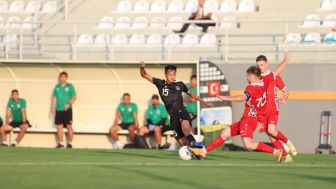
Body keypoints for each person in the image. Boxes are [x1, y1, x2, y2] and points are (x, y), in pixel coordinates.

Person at [189, 61, 290, 162]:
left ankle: (275, 151)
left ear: (253, 76)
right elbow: (277, 71)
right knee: (224, 133)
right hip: (251, 120)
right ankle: (203, 152)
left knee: (248, 144)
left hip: (248, 120)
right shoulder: (264, 84)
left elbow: (242, 98)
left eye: (248, 76)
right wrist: (286, 60)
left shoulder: (251, 87)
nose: (247, 78)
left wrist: (225, 98)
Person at [140, 61, 213, 148]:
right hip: (173, 118)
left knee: (186, 129)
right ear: (165, 74)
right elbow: (144, 75)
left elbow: (192, 95)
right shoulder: (160, 83)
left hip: (182, 112)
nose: (172, 77)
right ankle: (194, 149)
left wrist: (205, 102)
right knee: (183, 144)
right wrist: (142, 68)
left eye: (174, 75)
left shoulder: (180, 85)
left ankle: (194, 144)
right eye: (169, 75)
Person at [256, 54, 297, 162]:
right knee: (271, 136)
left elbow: (286, 91)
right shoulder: (257, 78)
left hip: (273, 108)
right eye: (258, 65)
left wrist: (284, 98)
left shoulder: (274, 76)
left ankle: (288, 142)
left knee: (271, 130)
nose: (260, 67)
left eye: (261, 64)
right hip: (262, 111)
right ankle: (287, 156)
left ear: (267, 64)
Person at [51, 71, 77, 148]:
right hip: (59, 109)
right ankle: (61, 143)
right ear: (59, 78)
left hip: (67, 110)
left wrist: (68, 104)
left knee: (69, 126)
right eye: (61, 77)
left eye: (64, 77)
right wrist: (53, 108)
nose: (62, 78)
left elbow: (74, 97)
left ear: (66, 78)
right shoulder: (57, 87)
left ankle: (70, 143)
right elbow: (55, 98)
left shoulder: (70, 86)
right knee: (59, 126)